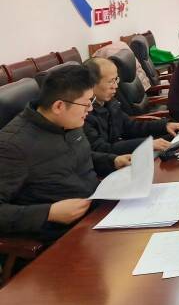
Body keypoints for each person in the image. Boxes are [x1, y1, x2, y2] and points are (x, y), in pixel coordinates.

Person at [0, 65, 132, 240]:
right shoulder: (12, 145)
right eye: (86, 103)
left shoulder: (68, 121)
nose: (90, 109)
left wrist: (113, 161)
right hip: (63, 236)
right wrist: (49, 213)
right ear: (59, 106)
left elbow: (77, 157)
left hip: (97, 213)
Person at [84, 57, 179, 154]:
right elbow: (102, 149)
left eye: (116, 79)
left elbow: (130, 127)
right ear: (91, 84)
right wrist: (145, 144)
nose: (115, 86)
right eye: (111, 81)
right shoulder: (84, 114)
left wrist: (164, 126)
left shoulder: (110, 102)